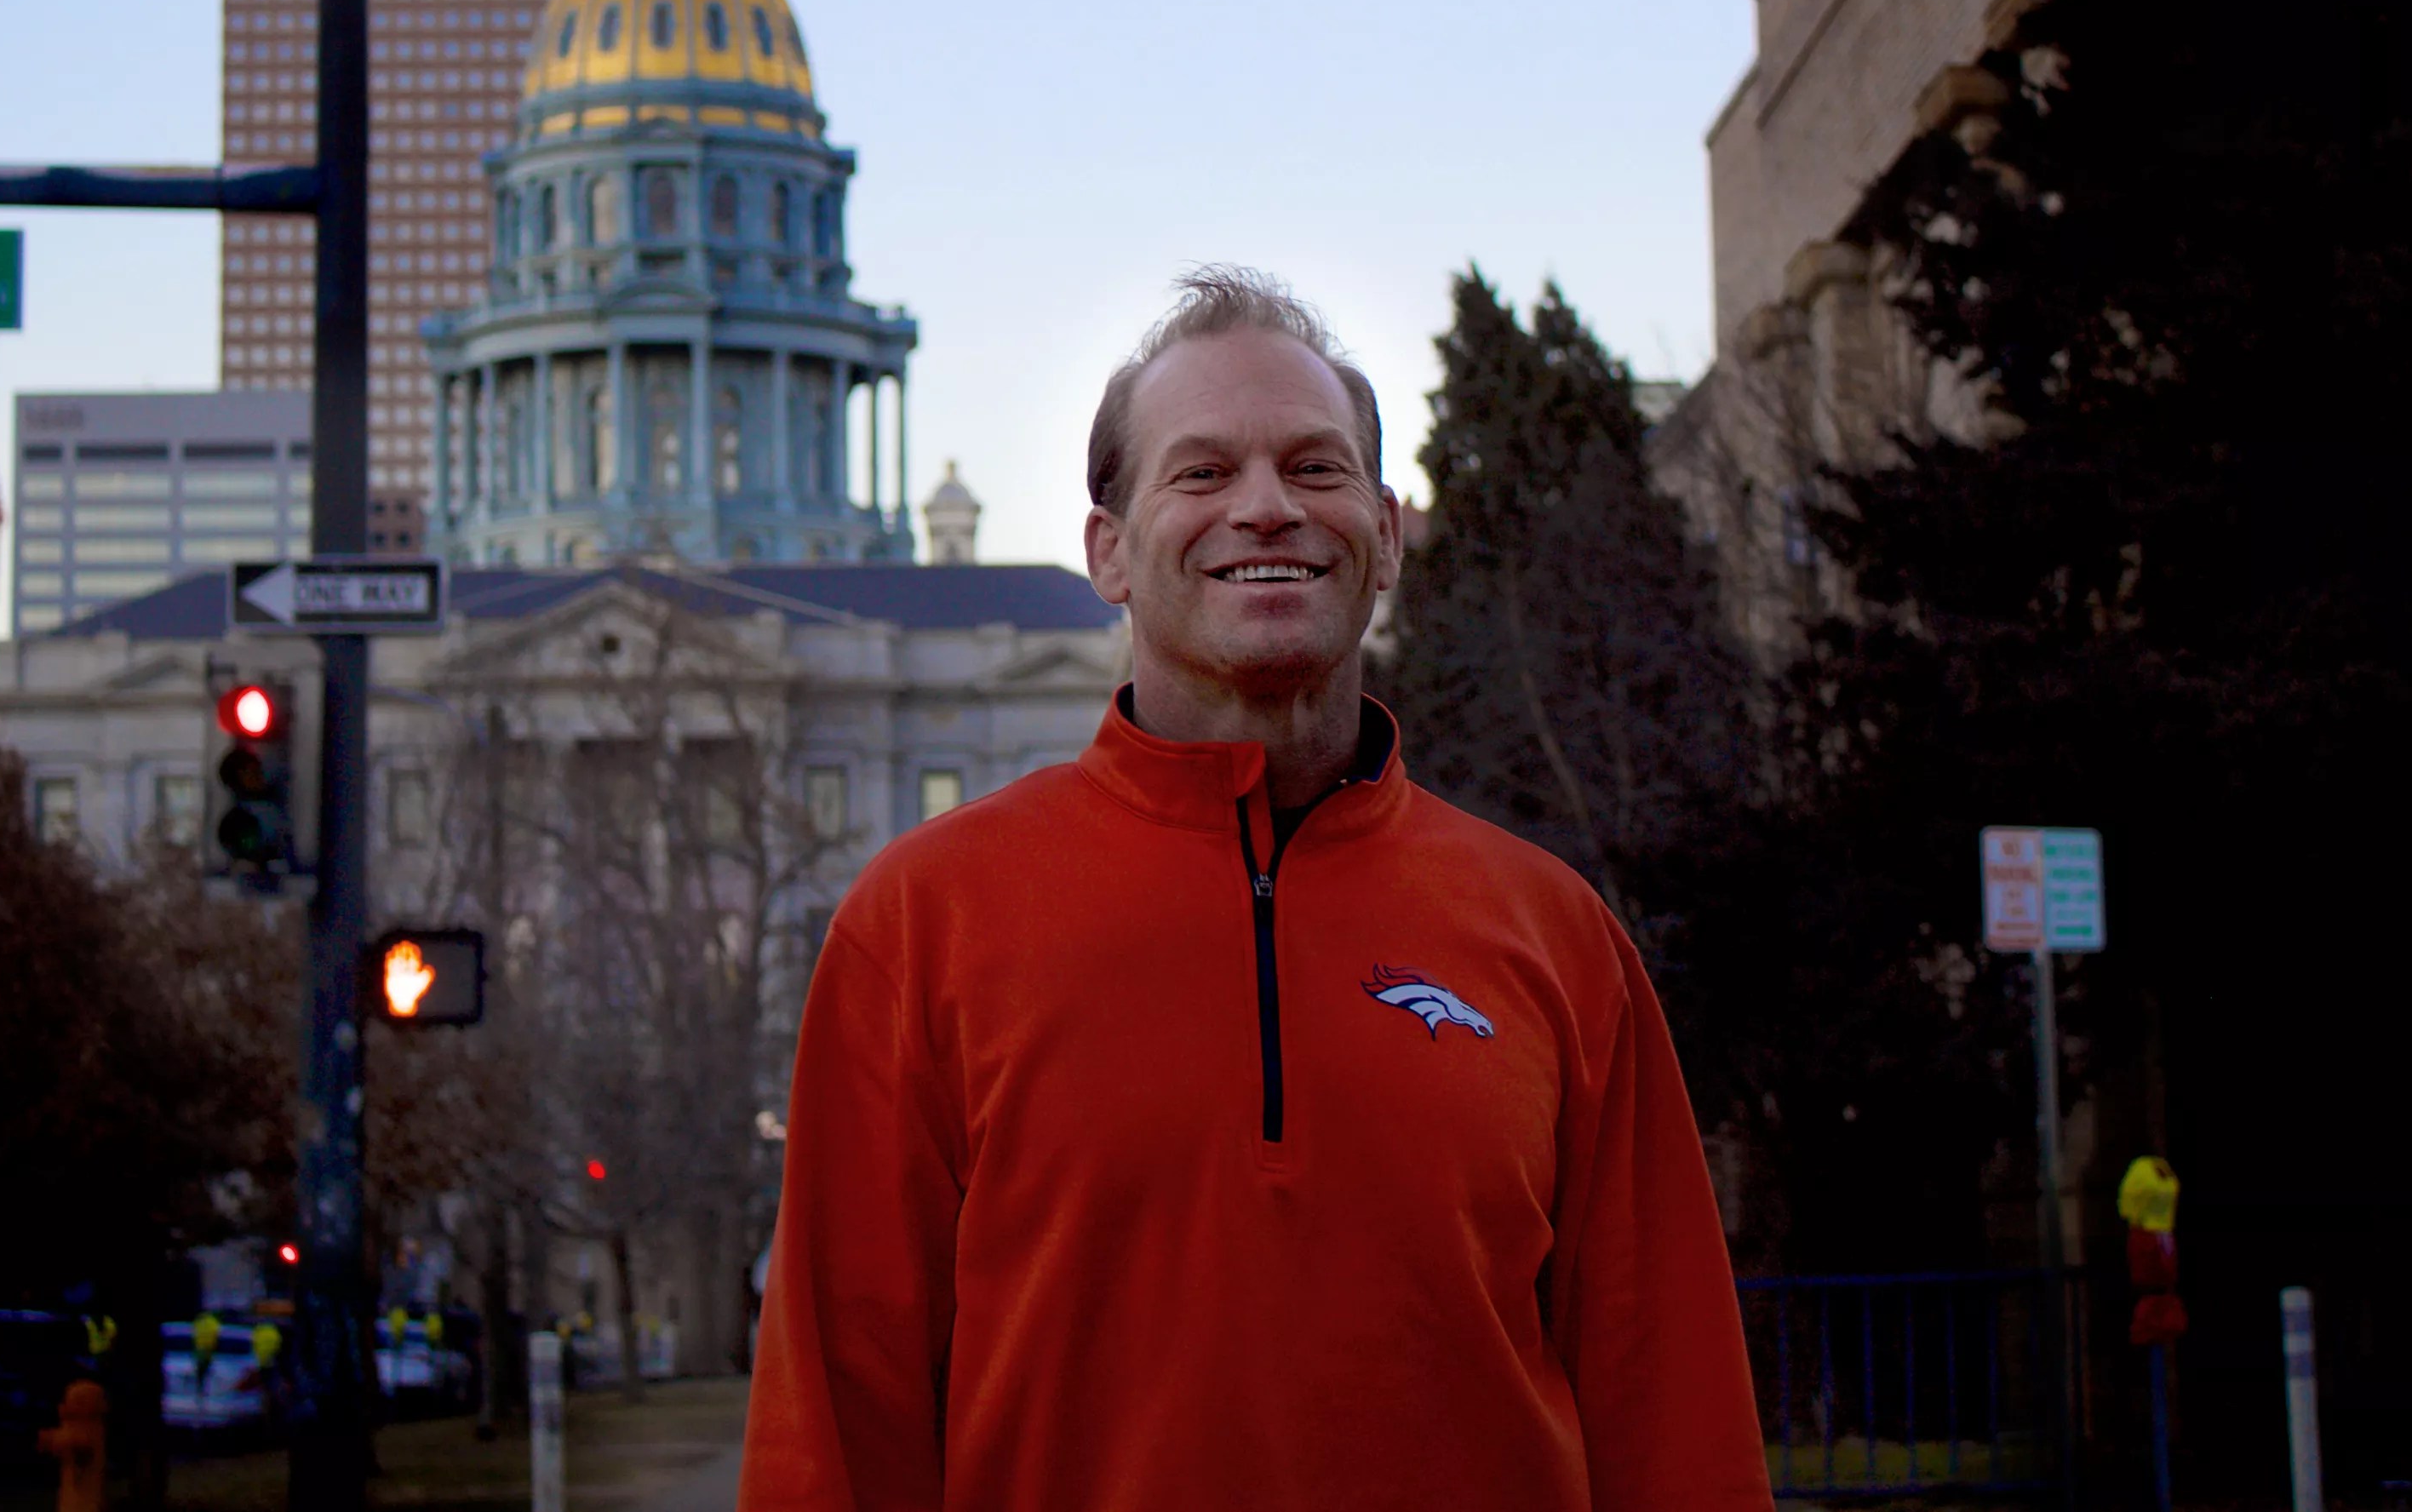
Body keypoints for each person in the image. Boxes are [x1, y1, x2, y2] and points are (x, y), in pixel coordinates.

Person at [740, 269, 1769, 1511]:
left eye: (1316, 468)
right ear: (1108, 550)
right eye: (1203, 472)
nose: (1268, 508)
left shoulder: (1552, 933)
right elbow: (837, 1426)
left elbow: (1671, 1408)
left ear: (1387, 535)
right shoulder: (921, 923)